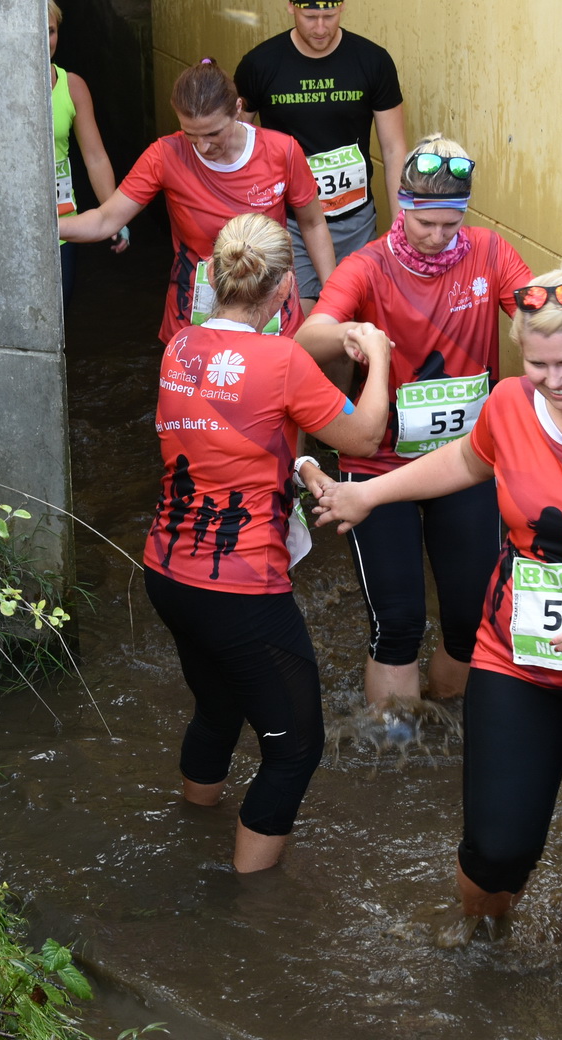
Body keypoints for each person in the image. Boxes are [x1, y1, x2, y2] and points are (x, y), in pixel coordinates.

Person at [316, 268, 562, 941]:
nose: (554, 379)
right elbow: (468, 462)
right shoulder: (509, 403)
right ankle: (482, 948)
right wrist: (371, 494)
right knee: (496, 847)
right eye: (537, 363)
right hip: (515, 663)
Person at [295, 135, 562, 709]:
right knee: (399, 624)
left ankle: (441, 723)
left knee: (468, 620)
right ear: (403, 208)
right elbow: (307, 338)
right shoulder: (368, 266)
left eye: (450, 223)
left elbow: (547, 311)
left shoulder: (487, 252)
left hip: (464, 463)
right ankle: (397, 757)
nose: (437, 237)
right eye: (424, 223)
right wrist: (350, 335)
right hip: (379, 465)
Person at [143, 212, 393, 872]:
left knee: (219, 706)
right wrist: (381, 358)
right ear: (285, 290)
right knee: (295, 750)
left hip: (168, 569)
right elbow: (365, 436)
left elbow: (227, 440)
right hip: (239, 585)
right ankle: (244, 899)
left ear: (215, 276)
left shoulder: (180, 348)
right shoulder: (282, 360)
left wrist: (302, 466)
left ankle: (193, 824)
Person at [60, 60, 336, 342]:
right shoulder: (165, 155)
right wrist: (48, 227)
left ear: (238, 109)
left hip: (271, 308)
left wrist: (333, 299)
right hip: (193, 313)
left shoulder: (282, 150)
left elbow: (313, 224)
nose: (203, 147)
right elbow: (106, 219)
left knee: (273, 381)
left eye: (213, 133)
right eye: (190, 134)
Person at [234, 1, 406, 313]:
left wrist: (400, 231)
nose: (321, 28)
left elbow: (394, 150)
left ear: (342, 6)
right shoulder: (259, 64)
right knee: (303, 316)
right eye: (310, 17)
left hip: (353, 219)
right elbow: (235, 144)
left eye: (330, 16)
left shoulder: (373, 61)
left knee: (346, 317)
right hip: (290, 221)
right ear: (290, 7)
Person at [49, 1, 129, 313]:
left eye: (51, 31)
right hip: (12, 226)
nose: (45, 41)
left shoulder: (72, 86)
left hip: (63, 228)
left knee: (59, 318)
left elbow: (94, 157)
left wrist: (113, 213)